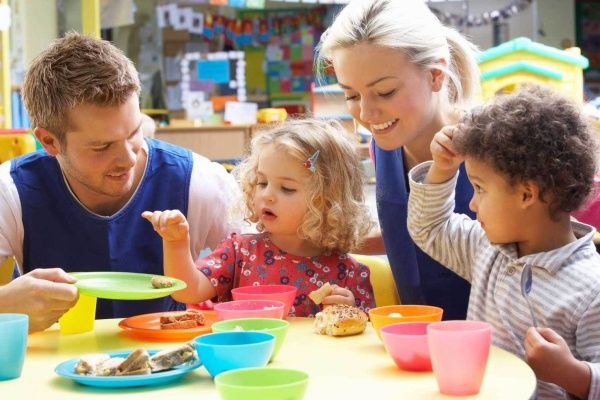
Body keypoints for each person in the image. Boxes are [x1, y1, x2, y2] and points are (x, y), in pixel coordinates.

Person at [0, 32, 238, 331]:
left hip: (170, 363)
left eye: (134, 133)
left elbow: (264, 273)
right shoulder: (10, 191)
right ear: (49, 141)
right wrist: (5, 305)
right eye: (101, 147)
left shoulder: (201, 181)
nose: (127, 158)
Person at [407, 86, 600, 399]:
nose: (472, 205)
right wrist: (442, 169)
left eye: (480, 189)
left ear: (527, 194)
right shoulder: (489, 249)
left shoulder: (591, 288)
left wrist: (571, 373)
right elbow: (429, 227)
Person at [315, 0, 480, 319]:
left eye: (386, 92)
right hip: (414, 344)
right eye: (351, 95)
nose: (366, 113)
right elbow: (409, 235)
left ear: (435, 75)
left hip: (493, 352)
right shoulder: (384, 145)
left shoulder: (494, 148)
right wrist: (326, 236)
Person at [143, 119, 376, 316]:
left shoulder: (349, 273)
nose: (267, 195)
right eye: (262, 182)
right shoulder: (239, 252)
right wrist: (176, 243)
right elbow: (187, 291)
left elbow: (363, 340)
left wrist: (351, 310)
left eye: (287, 188)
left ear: (328, 202)